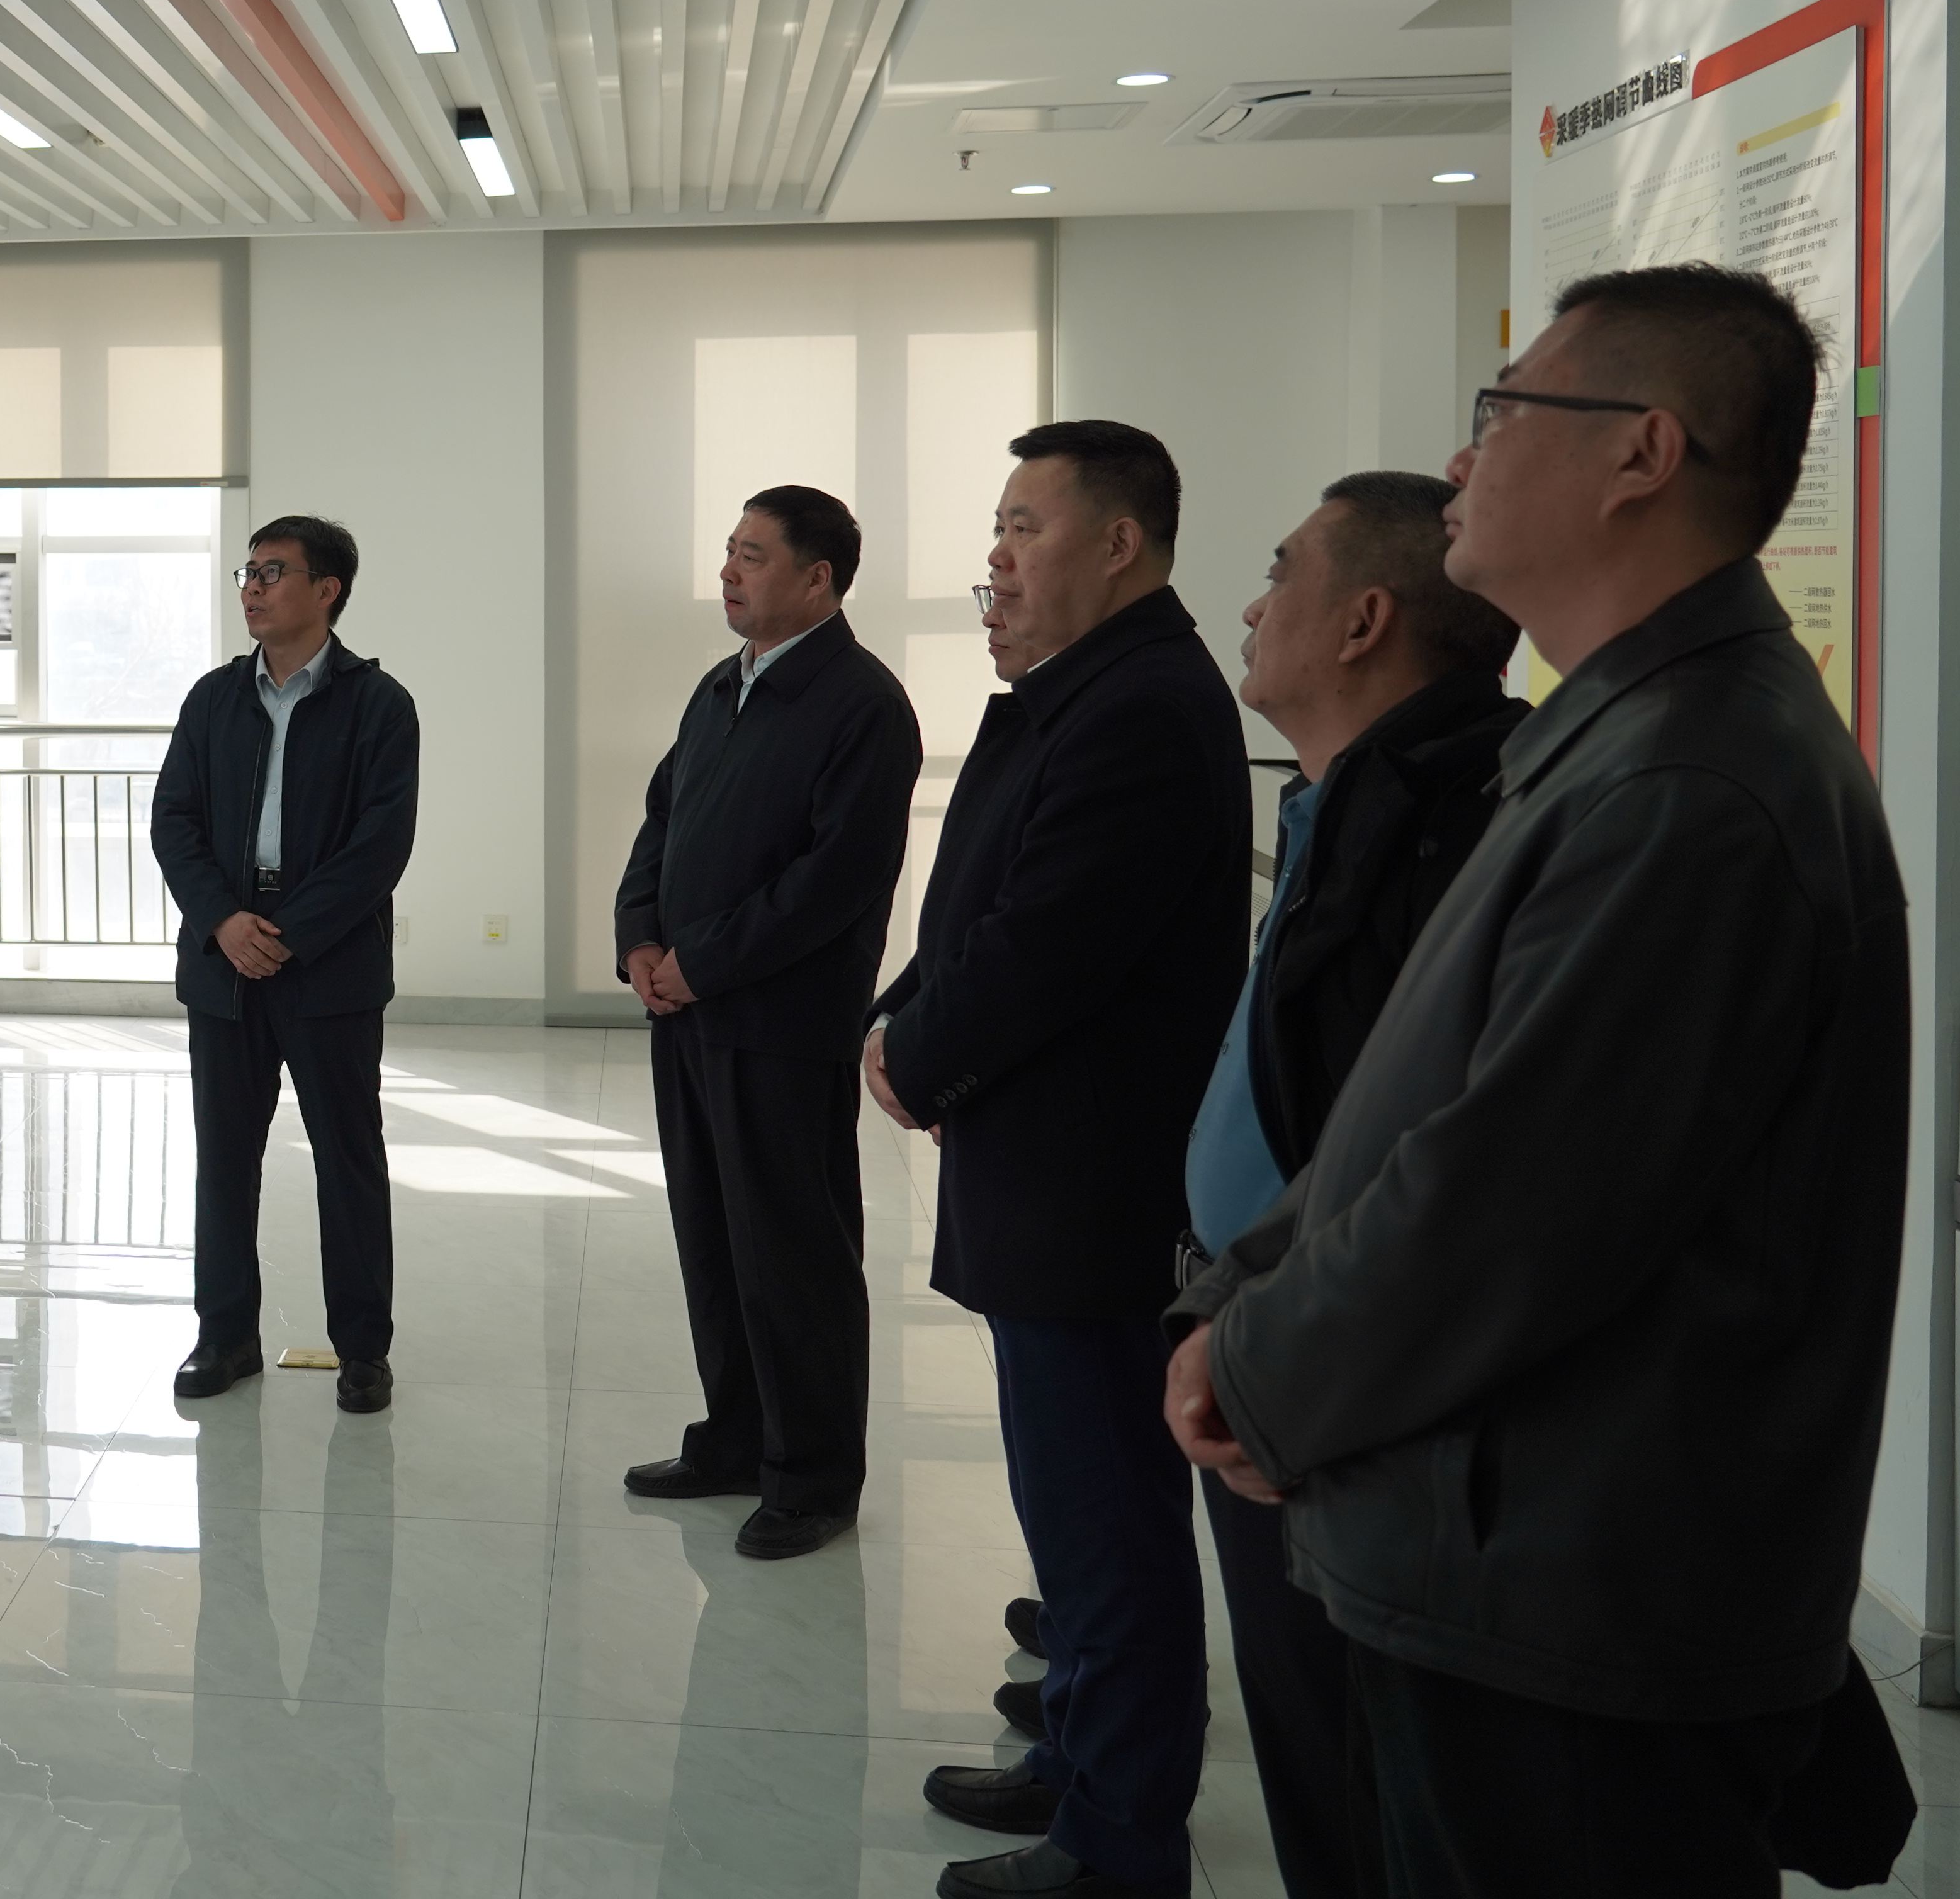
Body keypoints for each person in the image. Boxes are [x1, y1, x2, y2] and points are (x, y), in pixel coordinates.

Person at [1166, 264, 1912, 1893]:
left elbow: (1502, 1207)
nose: (1462, 458)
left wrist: (1263, 1365)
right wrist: (1249, 1293)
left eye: (1502, 414)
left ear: (1642, 452)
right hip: (1513, 1561)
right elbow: (1414, 1105)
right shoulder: (1614, 735)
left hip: (1572, 1611)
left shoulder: (1691, 783)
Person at [864, 420, 1249, 1899]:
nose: (998, 558)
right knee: (1078, 1511)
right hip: (1051, 1172)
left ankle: (1119, 1839)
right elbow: (984, 905)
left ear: (1120, 541)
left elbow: (1048, 943)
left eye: (1026, 526)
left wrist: (919, 1049)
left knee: (1107, 1519)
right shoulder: (1088, 690)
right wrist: (909, 1014)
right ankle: (1083, 1746)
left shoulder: (1140, 705)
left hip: (1094, 1189)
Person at [1166, 473, 1523, 1899]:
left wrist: (1285, 1362)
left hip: (1332, 1390)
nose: (1253, 607)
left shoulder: (1450, 818)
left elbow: (1423, 1162)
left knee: (1363, 1783)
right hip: (1266, 1341)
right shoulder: (1340, 795)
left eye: (1281, 572)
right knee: (1315, 1756)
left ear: (1366, 619)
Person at [613, 486, 921, 1558]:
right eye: (729, 551)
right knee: (714, 1240)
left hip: (782, 1026)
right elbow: (661, 822)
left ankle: (814, 1476)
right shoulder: (722, 686)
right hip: (690, 1016)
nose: (729, 571)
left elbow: (833, 882)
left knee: (795, 1255)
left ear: (818, 579)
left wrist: (702, 963)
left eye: (752, 555)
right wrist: (639, 938)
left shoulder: (864, 705)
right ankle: (737, 1440)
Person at [149, 514, 420, 1412]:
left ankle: (364, 1350)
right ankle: (225, 1336)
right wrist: (225, 921)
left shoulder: (378, 706)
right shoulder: (213, 699)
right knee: (226, 1160)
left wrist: (288, 932)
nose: (254, 588)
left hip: (329, 964)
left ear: (327, 590)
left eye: (274, 571)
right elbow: (174, 821)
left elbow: (379, 846)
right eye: (249, 572)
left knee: (348, 1159)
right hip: (224, 959)